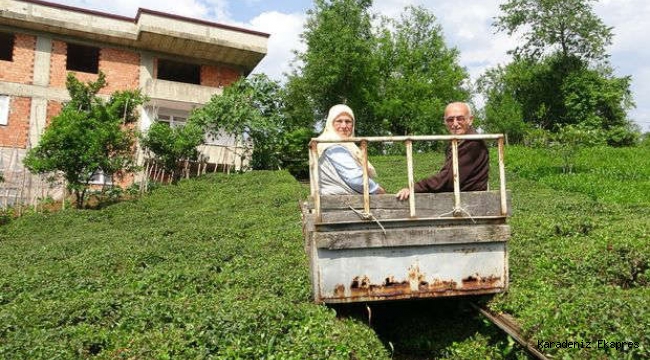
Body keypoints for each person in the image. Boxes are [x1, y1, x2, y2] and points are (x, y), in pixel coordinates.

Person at [396, 102, 488, 200]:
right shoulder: (457, 142)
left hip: (470, 203)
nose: (455, 124)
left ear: (470, 120)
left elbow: (448, 178)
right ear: (445, 122)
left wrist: (414, 188)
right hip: (464, 200)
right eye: (450, 120)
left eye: (460, 118)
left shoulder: (472, 143)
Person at [316, 104, 386, 195]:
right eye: (339, 121)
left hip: (342, 200)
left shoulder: (346, 145)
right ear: (330, 123)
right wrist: (379, 190)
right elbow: (356, 179)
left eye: (348, 121)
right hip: (340, 202)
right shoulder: (333, 145)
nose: (344, 126)